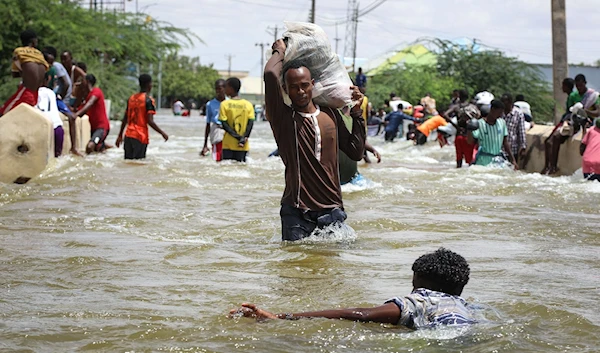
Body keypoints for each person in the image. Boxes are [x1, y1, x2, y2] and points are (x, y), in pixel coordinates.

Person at [264, 39, 366, 241]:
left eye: (304, 86)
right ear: (285, 89)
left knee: (332, 270)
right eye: (294, 87)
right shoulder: (283, 118)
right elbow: (270, 75)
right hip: (297, 211)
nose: (300, 92)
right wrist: (279, 52)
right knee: (297, 268)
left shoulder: (331, 114)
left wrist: (357, 114)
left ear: (312, 85)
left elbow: (355, 151)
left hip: (332, 208)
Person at [230, 248, 476, 329]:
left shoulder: (420, 301)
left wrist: (280, 317)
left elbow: (359, 314)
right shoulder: (466, 308)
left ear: (419, 283)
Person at [543, 75, 600, 175]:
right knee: (555, 137)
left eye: (581, 86)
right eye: (577, 86)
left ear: (585, 83)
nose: (579, 88)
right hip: (573, 122)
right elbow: (569, 111)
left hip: (587, 122)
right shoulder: (573, 96)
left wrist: (584, 111)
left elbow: (598, 112)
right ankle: (553, 166)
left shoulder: (593, 96)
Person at [115, 74, 168, 160]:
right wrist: (162, 133)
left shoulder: (131, 98)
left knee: (128, 164)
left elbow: (125, 118)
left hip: (128, 136)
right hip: (140, 136)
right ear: (149, 85)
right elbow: (150, 121)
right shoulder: (148, 100)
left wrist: (120, 135)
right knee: (139, 164)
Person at [0, 30, 49, 116]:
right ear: (33, 41)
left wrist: (22, 71)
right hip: (36, 94)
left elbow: (14, 74)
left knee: (3, 113)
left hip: (26, 91)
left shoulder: (19, 51)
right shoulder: (40, 54)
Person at [468, 99, 517, 168]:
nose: (500, 115)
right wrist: (469, 130)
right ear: (492, 109)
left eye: (501, 113)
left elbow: (505, 142)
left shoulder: (502, 123)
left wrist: (513, 160)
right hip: (483, 159)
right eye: (499, 112)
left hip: (498, 159)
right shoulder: (480, 124)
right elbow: (470, 141)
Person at [219, 77, 255, 162]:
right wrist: (244, 138)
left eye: (226, 87)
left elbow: (224, 125)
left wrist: (238, 138)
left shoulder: (224, 104)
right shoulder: (248, 105)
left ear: (231, 88)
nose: (224, 89)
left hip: (228, 144)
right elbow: (250, 124)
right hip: (243, 145)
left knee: (227, 170)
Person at [443, 89, 480, 168]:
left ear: (459, 96)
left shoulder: (456, 107)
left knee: (459, 161)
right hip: (469, 136)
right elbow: (478, 116)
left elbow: (445, 114)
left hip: (458, 135)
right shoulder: (472, 107)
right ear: (468, 97)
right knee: (470, 162)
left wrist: (456, 126)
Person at [75, 74, 111, 154]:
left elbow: (89, 104)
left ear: (87, 82)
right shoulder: (86, 98)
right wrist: (77, 92)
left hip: (102, 128)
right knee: (98, 150)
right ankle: (105, 148)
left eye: (82, 81)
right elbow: (77, 110)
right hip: (94, 129)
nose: (80, 83)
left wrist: (75, 115)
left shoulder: (96, 91)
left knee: (90, 146)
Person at [201, 79, 226, 161]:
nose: (218, 91)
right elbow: (208, 123)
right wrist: (205, 144)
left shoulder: (230, 102)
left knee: (226, 154)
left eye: (220, 88)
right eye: (216, 89)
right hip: (217, 129)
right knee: (217, 153)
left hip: (228, 130)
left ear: (225, 89)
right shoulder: (210, 104)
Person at [500, 93, 527, 164]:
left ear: (510, 102)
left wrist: (523, 146)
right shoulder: (500, 113)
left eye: (505, 103)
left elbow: (521, 131)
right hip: (499, 149)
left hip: (513, 149)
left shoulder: (518, 114)